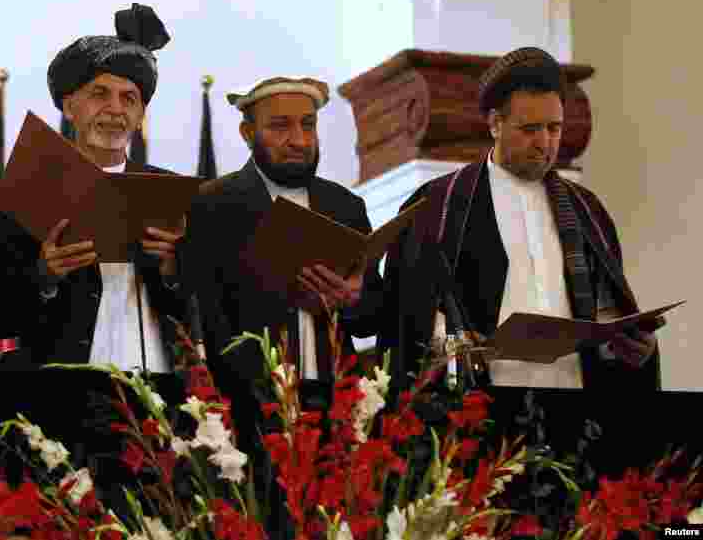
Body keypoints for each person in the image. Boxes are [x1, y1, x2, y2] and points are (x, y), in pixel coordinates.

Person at [378, 46, 660, 393]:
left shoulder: (587, 211)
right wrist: (455, 344)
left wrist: (632, 348)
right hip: (477, 413)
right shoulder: (437, 206)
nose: (545, 143)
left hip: (576, 407)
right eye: (530, 129)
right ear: (495, 123)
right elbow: (407, 315)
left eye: (554, 128)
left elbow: (607, 317)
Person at [0, 3, 190, 373]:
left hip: (158, 389)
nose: (115, 109)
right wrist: (44, 277)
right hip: (60, 391)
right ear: (69, 106)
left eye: (129, 98)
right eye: (99, 94)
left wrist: (174, 269)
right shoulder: (27, 188)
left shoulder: (172, 193)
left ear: (141, 113)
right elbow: (0, 319)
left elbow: (204, 312)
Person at [185, 75, 389, 436]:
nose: (299, 139)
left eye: (307, 124)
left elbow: (371, 319)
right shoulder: (212, 205)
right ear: (248, 133)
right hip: (251, 408)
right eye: (280, 126)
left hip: (337, 406)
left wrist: (353, 298)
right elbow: (206, 317)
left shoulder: (345, 206)